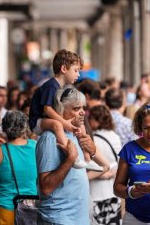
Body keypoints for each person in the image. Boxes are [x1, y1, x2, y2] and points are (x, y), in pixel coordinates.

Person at [29, 49, 101, 171]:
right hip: (37, 121)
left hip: (47, 119)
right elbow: (47, 109)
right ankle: (73, 156)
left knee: (80, 124)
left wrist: (71, 123)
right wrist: (65, 123)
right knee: (57, 124)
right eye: (76, 70)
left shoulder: (60, 87)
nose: (78, 74)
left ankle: (87, 158)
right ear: (63, 69)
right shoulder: (51, 85)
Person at [36, 86, 97, 225]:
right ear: (61, 111)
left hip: (78, 218)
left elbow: (79, 173)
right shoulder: (49, 138)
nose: (82, 113)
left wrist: (92, 151)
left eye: (83, 108)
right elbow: (45, 187)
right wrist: (70, 159)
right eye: (76, 109)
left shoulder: (74, 134)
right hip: (59, 219)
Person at [0, 111, 37, 224]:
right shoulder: (35, 146)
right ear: (24, 127)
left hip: (3, 208)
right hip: (29, 209)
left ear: (4, 128)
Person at [88, 105, 122, 225]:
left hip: (95, 191)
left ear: (96, 119)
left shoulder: (91, 140)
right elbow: (119, 162)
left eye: (90, 118)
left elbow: (89, 165)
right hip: (112, 191)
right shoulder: (115, 136)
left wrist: (103, 174)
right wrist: (110, 173)